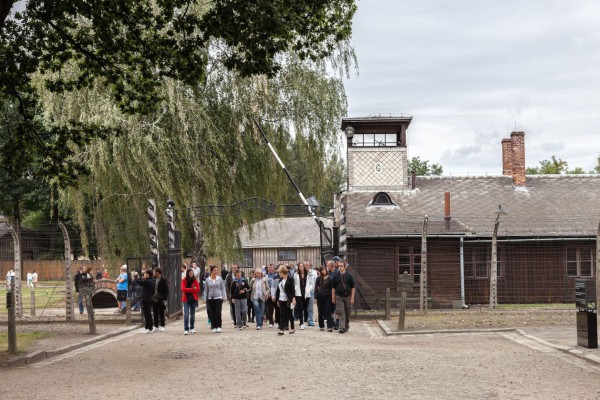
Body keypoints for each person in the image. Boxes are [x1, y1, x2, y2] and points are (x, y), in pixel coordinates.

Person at [331, 261, 355, 334]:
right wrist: (333, 297)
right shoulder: (336, 276)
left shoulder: (349, 276)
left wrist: (352, 297)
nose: (340, 267)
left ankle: (346, 325)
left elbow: (353, 287)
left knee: (347, 312)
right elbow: (333, 288)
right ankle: (342, 328)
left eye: (341, 266)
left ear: (345, 267)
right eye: (339, 266)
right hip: (339, 296)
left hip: (347, 296)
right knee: (341, 312)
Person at [204, 265, 226, 333]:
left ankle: (219, 326)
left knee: (218, 312)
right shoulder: (207, 280)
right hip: (210, 298)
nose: (216, 271)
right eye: (214, 270)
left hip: (218, 297)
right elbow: (205, 290)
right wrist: (205, 298)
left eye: (216, 270)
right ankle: (214, 326)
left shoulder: (219, 279)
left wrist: (224, 296)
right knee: (211, 312)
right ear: (211, 271)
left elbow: (222, 288)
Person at [275, 265, 295, 335]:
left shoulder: (290, 279)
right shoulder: (280, 280)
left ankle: (292, 328)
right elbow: (278, 290)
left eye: (279, 272)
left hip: (288, 299)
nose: (279, 274)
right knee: (282, 314)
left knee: (289, 314)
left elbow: (293, 290)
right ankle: (281, 329)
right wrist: (277, 299)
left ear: (282, 272)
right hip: (281, 299)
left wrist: (293, 298)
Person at [135, 269, 156, 333]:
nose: (144, 275)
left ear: (148, 274)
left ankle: (149, 328)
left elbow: (138, 281)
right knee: (147, 314)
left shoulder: (148, 281)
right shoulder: (151, 280)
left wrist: (136, 276)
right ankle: (147, 327)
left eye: (145, 274)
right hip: (148, 298)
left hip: (146, 299)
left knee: (147, 314)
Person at [181, 268, 200, 335]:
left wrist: (189, 290)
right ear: (188, 273)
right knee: (186, 314)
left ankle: (192, 327)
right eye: (190, 273)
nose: (191, 274)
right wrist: (191, 289)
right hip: (186, 299)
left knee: (192, 315)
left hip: (193, 299)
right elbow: (183, 289)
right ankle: (186, 329)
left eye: (192, 273)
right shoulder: (184, 280)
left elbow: (198, 289)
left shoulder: (195, 280)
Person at [315, 266, 333, 331]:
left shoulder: (330, 278)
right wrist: (315, 298)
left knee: (328, 311)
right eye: (322, 270)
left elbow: (332, 288)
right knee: (320, 311)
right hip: (320, 297)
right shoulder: (318, 279)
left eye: (324, 270)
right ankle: (321, 325)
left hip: (328, 296)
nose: (323, 271)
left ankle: (329, 326)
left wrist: (332, 297)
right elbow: (316, 288)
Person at [293, 262, 310, 330]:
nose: (301, 267)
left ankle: (305, 321)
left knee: (305, 308)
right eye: (300, 266)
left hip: (306, 293)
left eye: (302, 266)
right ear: (298, 267)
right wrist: (295, 290)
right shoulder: (296, 274)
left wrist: (309, 289)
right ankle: (301, 323)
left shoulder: (308, 274)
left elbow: (311, 283)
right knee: (300, 308)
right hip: (299, 293)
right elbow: (294, 284)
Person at [153, 268, 169, 332]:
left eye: (155, 272)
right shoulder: (154, 279)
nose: (154, 273)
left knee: (161, 312)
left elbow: (166, 290)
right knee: (155, 312)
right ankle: (156, 326)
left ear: (158, 272)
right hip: (154, 298)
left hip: (161, 298)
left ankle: (162, 325)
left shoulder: (163, 280)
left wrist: (164, 298)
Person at [265, 264, 279, 328]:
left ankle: (276, 321)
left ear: (274, 268)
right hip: (268, 295)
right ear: (267, 268)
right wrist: (268, 293)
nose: (270, 268)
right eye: (269, 267)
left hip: (275, 294)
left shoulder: (276, 276)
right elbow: (265, 286)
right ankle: (271, 322)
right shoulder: (265, 276)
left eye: (271, 267)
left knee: (277, 308)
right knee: (270, 309)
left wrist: (275, 294)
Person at [305, 261, 317, 326]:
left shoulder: (314, 273)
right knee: (304, 307)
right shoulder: (302, 273)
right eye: (305, 265)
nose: (306, 266)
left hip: (311, 291)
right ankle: (304, 319)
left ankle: (310, 320)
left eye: (307, 265)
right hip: (303, 292)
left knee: (310, 307)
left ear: (310, 265)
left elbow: (316, 282)